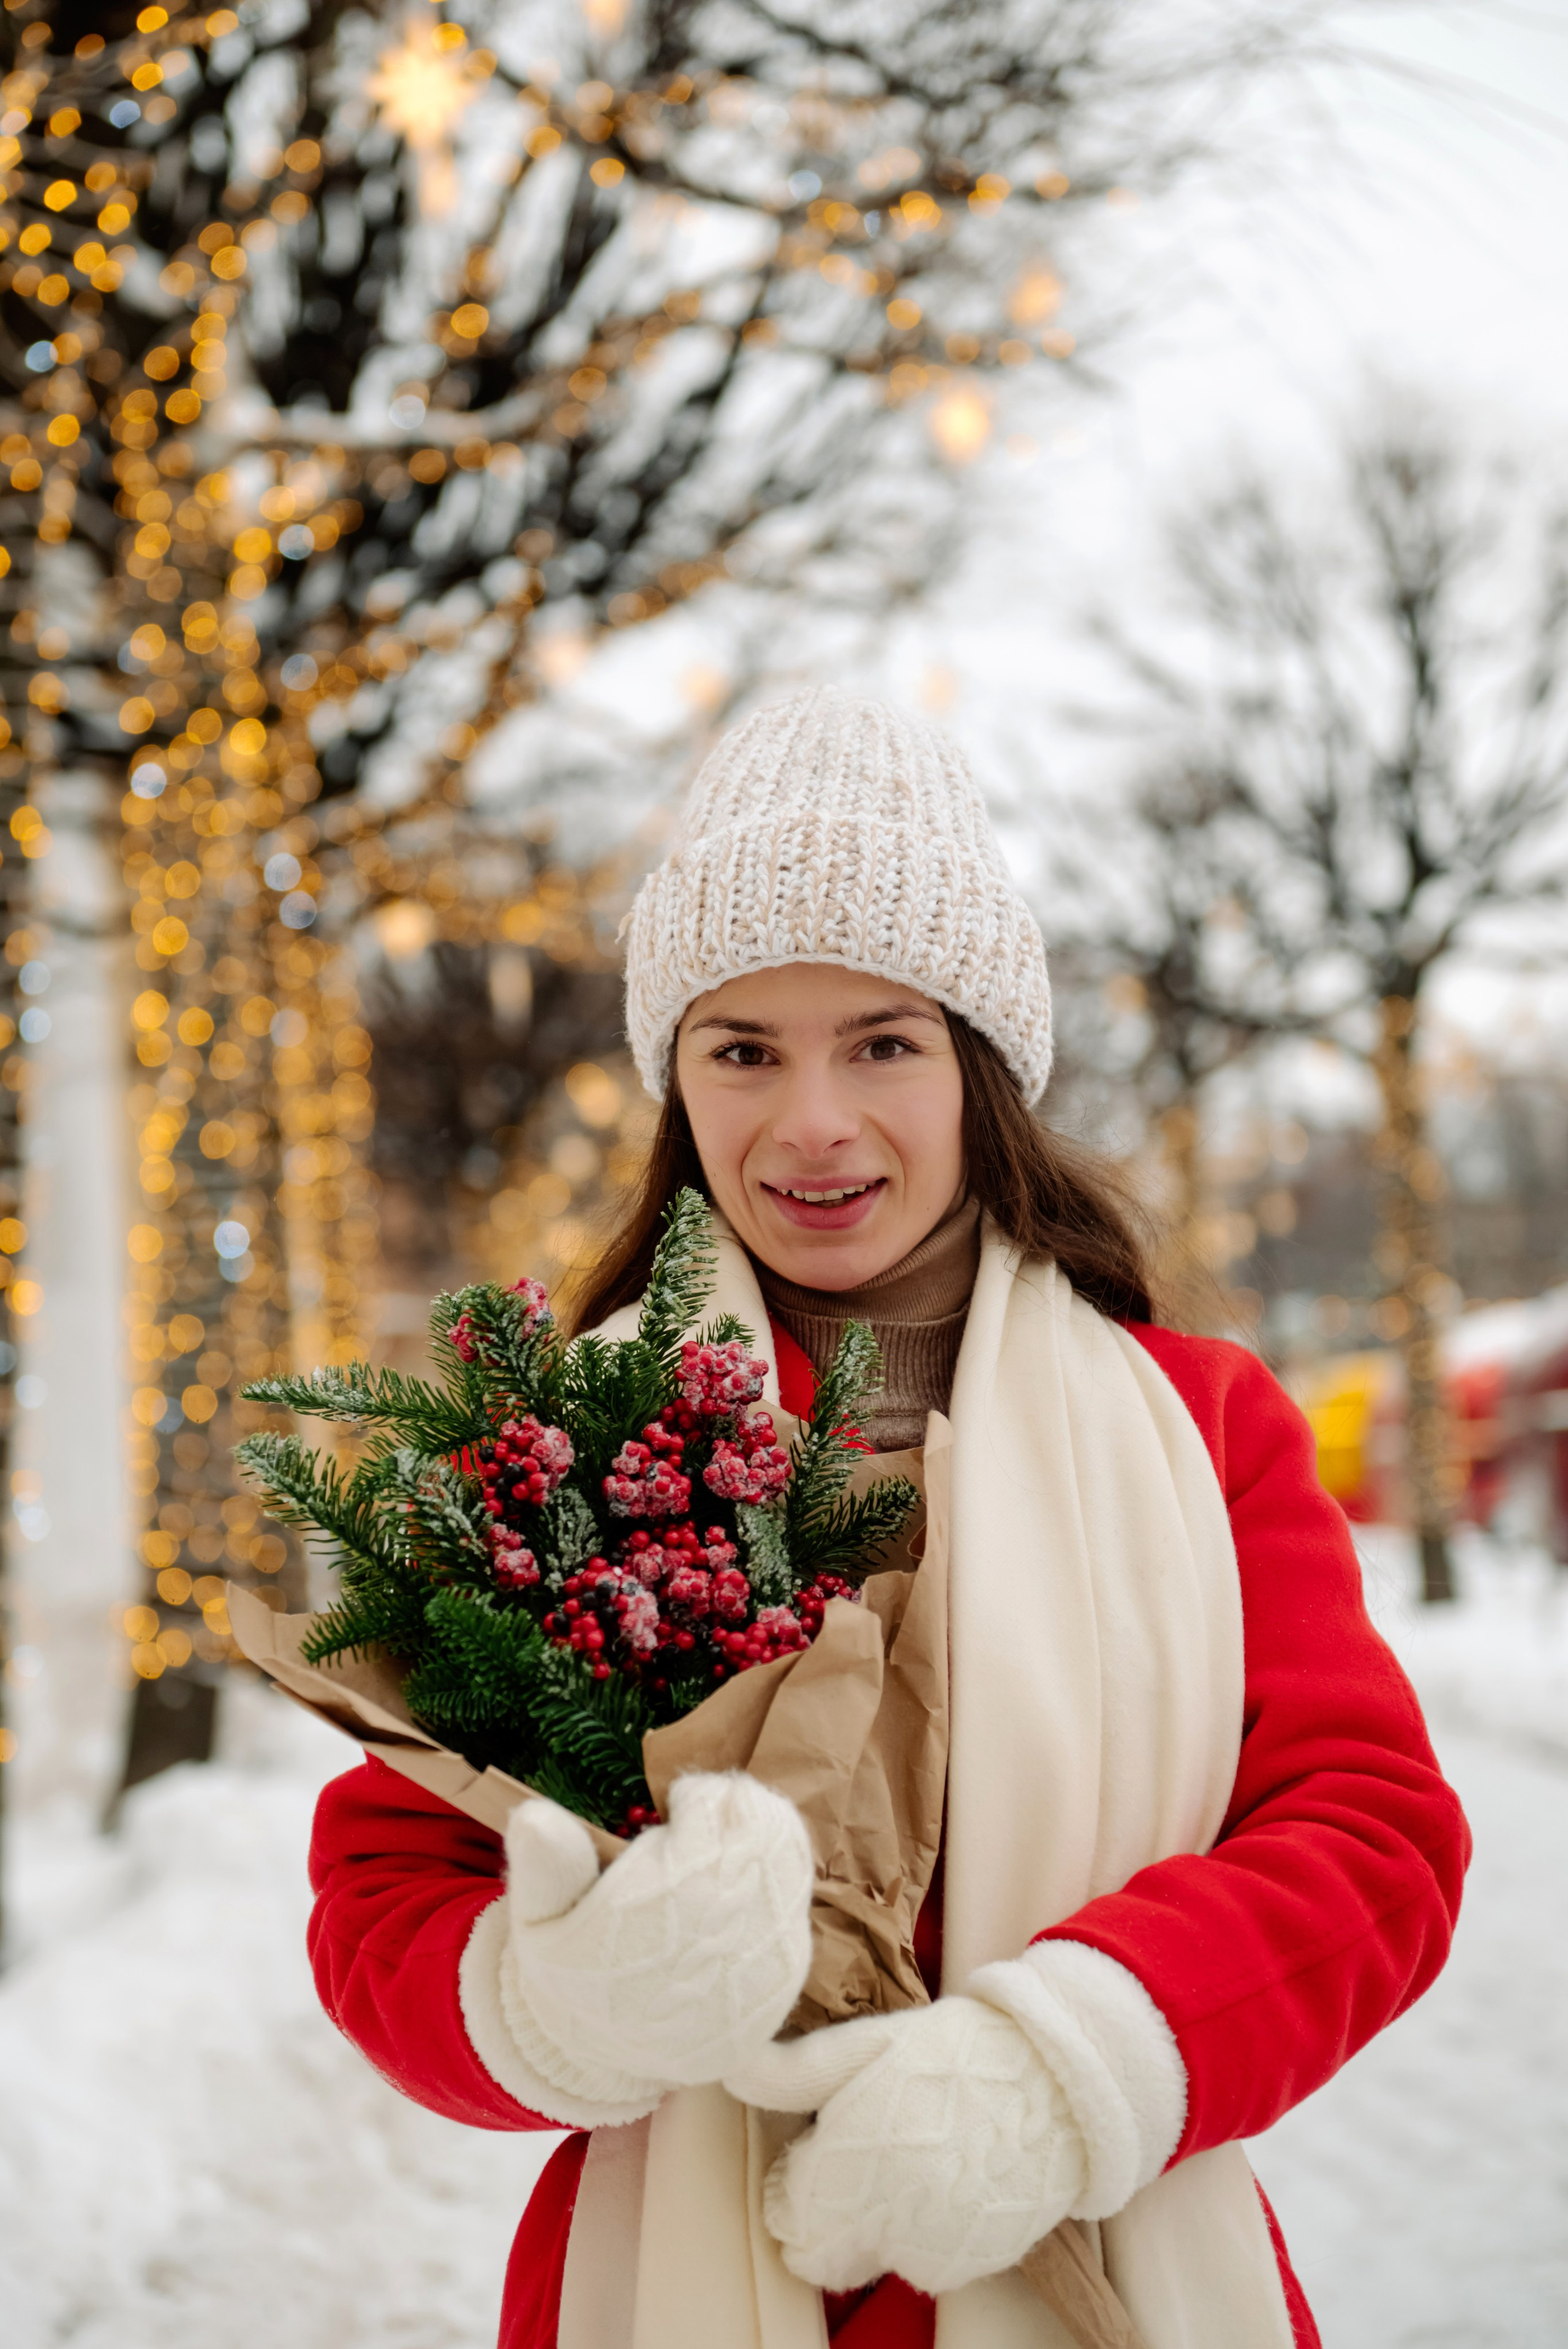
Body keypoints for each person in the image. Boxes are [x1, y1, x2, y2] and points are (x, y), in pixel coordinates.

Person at [307, 687, 1468, 2349]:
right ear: (677, 1081)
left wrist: (1069, 2068)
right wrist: (555, 2000)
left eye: (882, 1043)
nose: (814, 1122)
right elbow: (388, 1884)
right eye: (744, 1050)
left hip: (1109, 2262)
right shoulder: (562, 1442)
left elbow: (1370, 1832)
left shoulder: (1202, 1425)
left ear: (979, 1065)